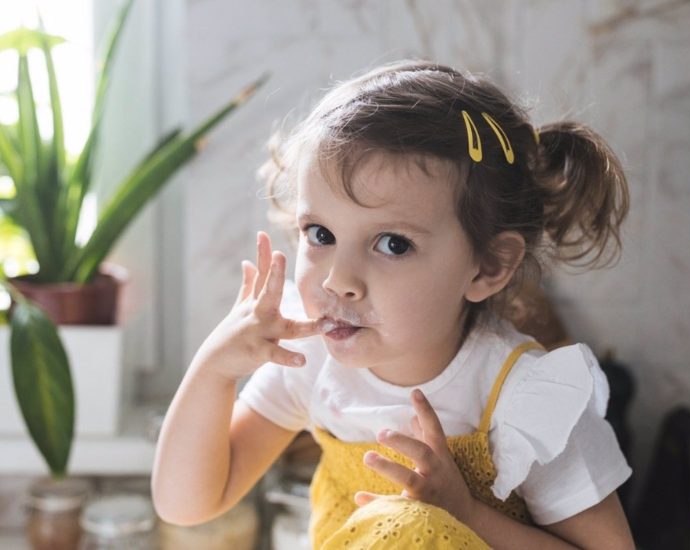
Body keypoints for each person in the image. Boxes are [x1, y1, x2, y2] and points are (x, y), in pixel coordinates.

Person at [152, 60, 636, 548]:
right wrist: (214, 369)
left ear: (488, 265)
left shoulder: (524, 398)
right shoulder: (309, 360)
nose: (339, 281)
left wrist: (467, 514)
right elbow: (187, 504)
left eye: (393, 244)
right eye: (320, 234)